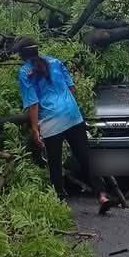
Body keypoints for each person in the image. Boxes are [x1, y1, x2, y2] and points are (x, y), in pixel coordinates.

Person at [13, 36, 112, 213]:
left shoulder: (24, 72)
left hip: (51, 120)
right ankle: (102, 195)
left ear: (21, 55)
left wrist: (35, 128)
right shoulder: (55, 62)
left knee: (54, 162)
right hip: (72, 114)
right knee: (85, 157)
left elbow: (33, 103)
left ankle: (60, 201)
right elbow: (71, 88)